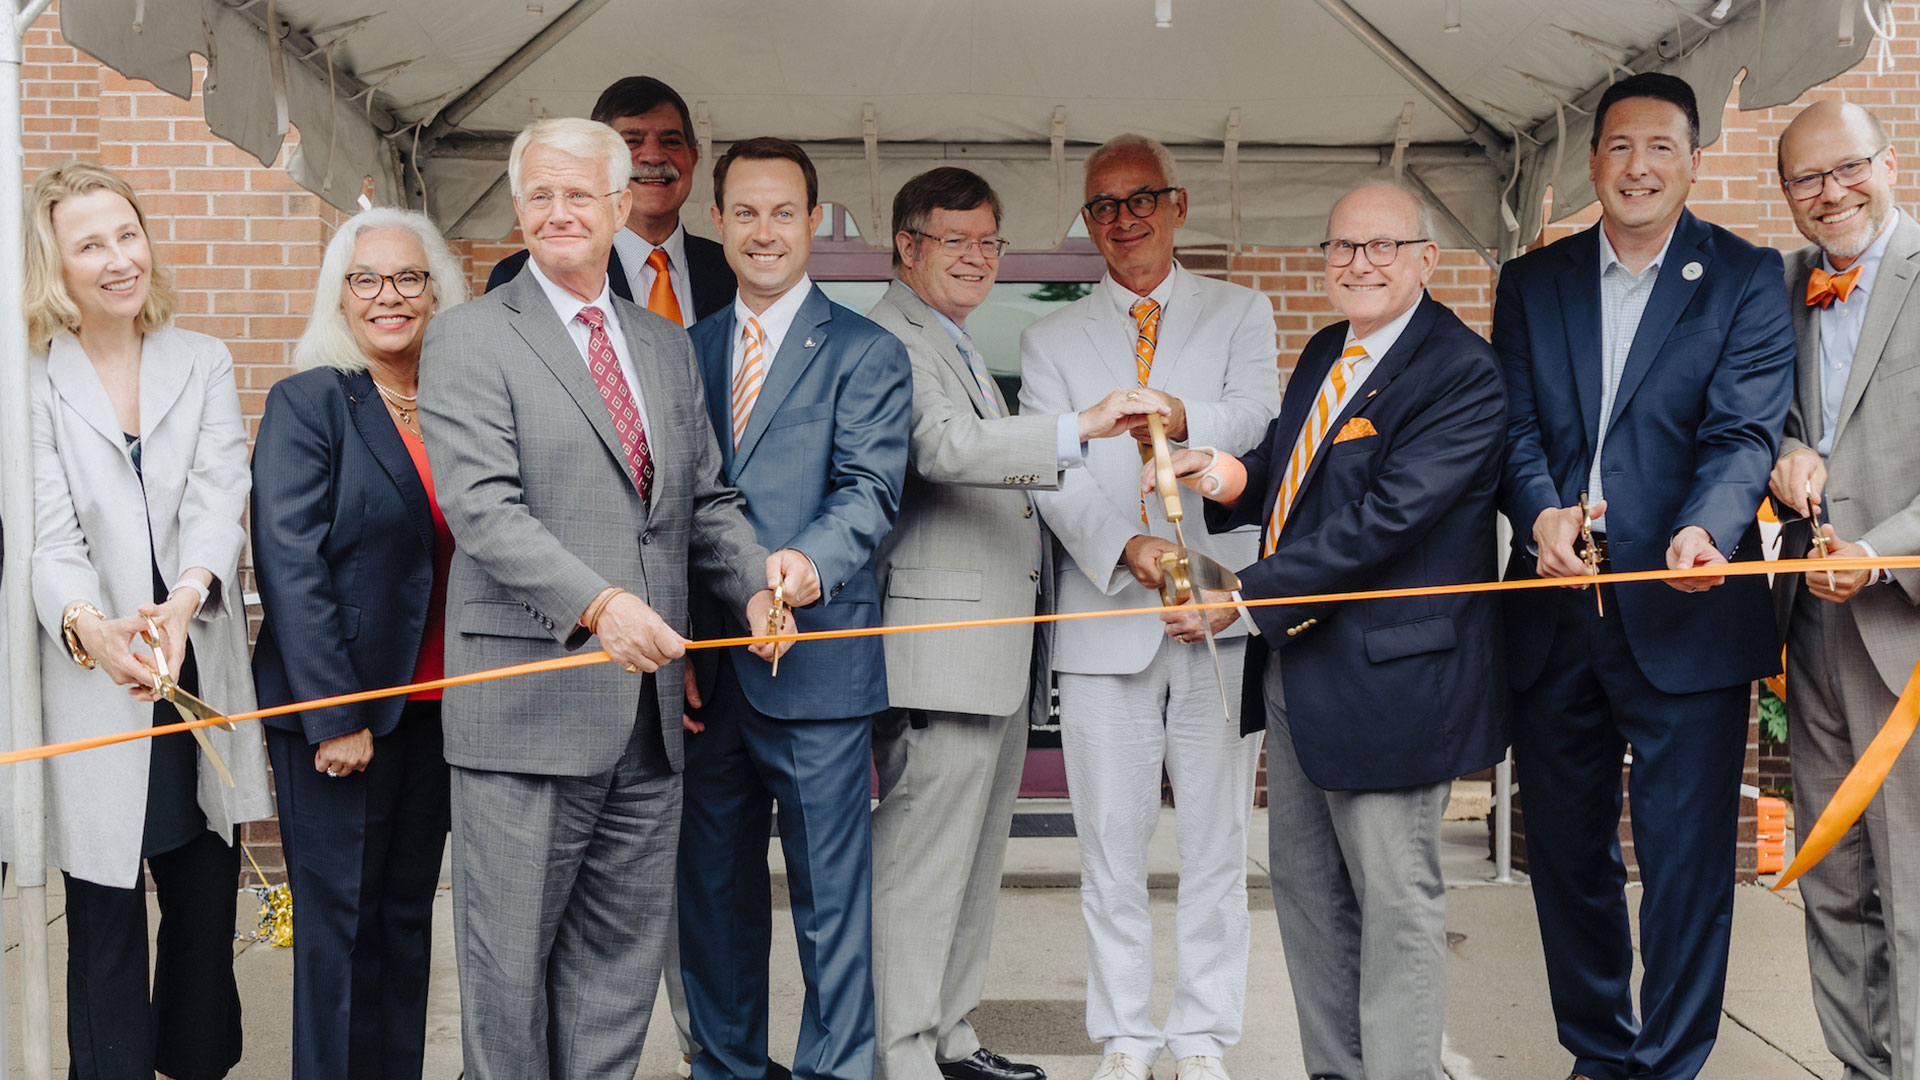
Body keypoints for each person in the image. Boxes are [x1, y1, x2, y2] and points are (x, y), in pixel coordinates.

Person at [417, 117, 807, 1080]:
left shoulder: (664, 345)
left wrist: (755, 582)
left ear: (621, 206)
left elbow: (704, 501)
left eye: (579, 195)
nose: (558, 213)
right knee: (507, 981)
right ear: (517, 210)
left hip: (647, 725)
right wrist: (599, 605)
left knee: (616, 976)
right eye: (540, 196)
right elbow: (483, 510)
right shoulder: (469, 337)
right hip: (523, 708)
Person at [1161, 183, 1507, 1079]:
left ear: (1427, 260)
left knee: (1396, 905)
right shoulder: (1327, 349)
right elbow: (1296, 467)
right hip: (1297, 671)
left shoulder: (1460, 373)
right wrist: (1226, 471)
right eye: (1342, 248)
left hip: (1394, 683)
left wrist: (1241, 596)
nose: (1359, 264)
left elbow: (1387, 520)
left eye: (1382, 247)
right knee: (1311, 897)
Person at [1493, 72, 1795, 1080]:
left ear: (1693, 160)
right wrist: (1539, 510)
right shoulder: (1534, 283)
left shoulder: (1749, 277)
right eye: (1620, 147)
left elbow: (1743, 430)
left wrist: (1709, 528)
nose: (1638, 167)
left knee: (1685, 864)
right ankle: (1598, 1052)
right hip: (1556, 609)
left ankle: (1669, 1062)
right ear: (1593, 162)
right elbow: (1516, 427)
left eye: (1660, 147)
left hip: (1688, 605)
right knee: (1568, 858)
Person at [866, 166, 1163, 1080]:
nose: (977, 258)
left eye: (989, 241)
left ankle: (950, 1036)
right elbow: (941, 448)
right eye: (954, 239)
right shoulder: (889, 336)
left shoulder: (949, 337)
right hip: (940, 653)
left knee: (970, 863)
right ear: (907, 247)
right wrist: (1082, 425)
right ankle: (902, 1051)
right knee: (922, 871)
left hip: (990, 652)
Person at [1018, 134, 1279, 1080]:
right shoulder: (1050, 336)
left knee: (1217, 843)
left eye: (1140, 201)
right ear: (1087, 221)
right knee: (1110, 849)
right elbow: (1050, 472)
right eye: (1102, 206)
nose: (1122, 220)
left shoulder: (1243, 311)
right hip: (1102, 617)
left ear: (1177, 205)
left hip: (1219, 609)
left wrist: (1181, 419)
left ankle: (1202, 1034)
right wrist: (1128, 550)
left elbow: (1257, 419)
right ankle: (1126, 1035)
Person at [24, 160, 272, 1080]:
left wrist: (187, 594)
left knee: (206, 909)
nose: (119, 257)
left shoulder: (202, 357)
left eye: (128, 233)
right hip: (95, 675)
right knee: (104, 916)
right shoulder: (31, 376)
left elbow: (219, 491)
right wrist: (93, 629)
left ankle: (196, 1064)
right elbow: (48, 536)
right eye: (91, 243)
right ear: (54, 263)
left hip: (194, 661)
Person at [677, 136, 911, 1080]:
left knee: (830, 903)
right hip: (703, 676)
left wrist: (801, 569)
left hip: (815, 665)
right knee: (713, 899)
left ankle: (835, 1070)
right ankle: (725, 1068)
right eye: (744, 212)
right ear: (717, 222)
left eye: (784, 212)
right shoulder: (682, 351)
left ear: (815, 223)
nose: (763, 231)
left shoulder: (867, 351)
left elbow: (869, 492)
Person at [251, 206, 470, 1080]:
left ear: (436, 291)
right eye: (367, 279)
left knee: (406, 923)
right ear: (339, 299)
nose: (390, 296)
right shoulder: (310, 402)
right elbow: (288, 561)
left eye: (410, 277)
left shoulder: (457, 402)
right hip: (344, 719)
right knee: (340, 934)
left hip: (441, 712)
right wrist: (336, 715)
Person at [1770, 99, 1920, 1080]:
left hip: (1903, 628)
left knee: (1913, 887)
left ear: (1889, 159)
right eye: (1806, 181)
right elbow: (1768, 415)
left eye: (1847, 169)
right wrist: (1785, 451)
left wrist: (1880, 550)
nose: (1831, 196)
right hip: (1808, 632)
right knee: (1832, 881)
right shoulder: (1781, 286)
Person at [487, 75, 735, 323]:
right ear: (598, 162)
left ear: (692, 157)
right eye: (631, 142)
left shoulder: (733, 270)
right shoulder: (522, 278)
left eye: (670, 141)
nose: (653, 156)